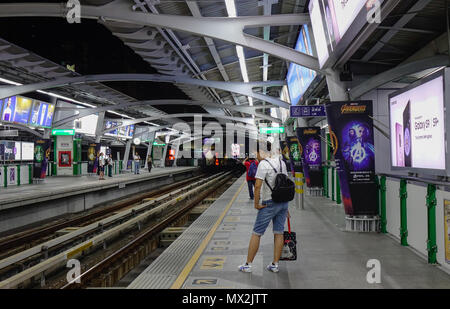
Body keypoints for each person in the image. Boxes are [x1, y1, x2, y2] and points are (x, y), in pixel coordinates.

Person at [238, 141, 289, 274]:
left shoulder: (263, 165)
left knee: (257, 233)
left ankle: (248, 265)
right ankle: (275, 264)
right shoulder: (282, 163)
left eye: (256, 153)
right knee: (279, 232)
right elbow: (286, 184)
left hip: (269, 203)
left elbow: (258, 186)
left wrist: (256, 204)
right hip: (283, 203)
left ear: (262, 151)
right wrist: (286, 207)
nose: (256, 156)